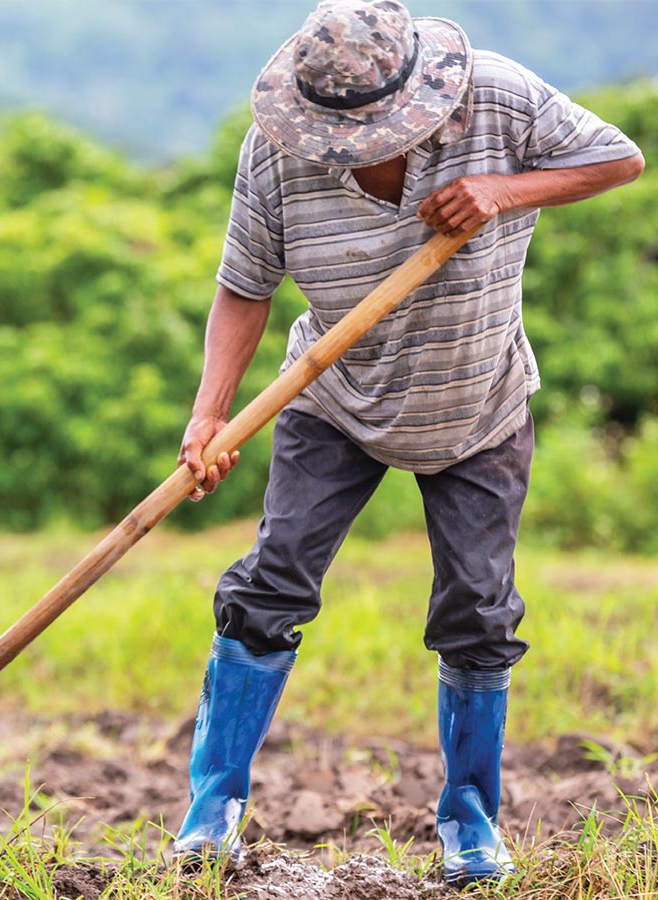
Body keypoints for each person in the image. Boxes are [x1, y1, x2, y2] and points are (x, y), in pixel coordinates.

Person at [172, 0, 644, 885]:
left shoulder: (498, 98)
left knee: (477, 610)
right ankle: (211, 816)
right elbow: (245, 287)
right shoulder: (277, 152)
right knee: (269, 586)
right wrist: (211, 415)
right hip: (333, 393)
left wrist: (504, 190)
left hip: (479, 402)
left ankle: (470, 824)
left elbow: (620, 157)